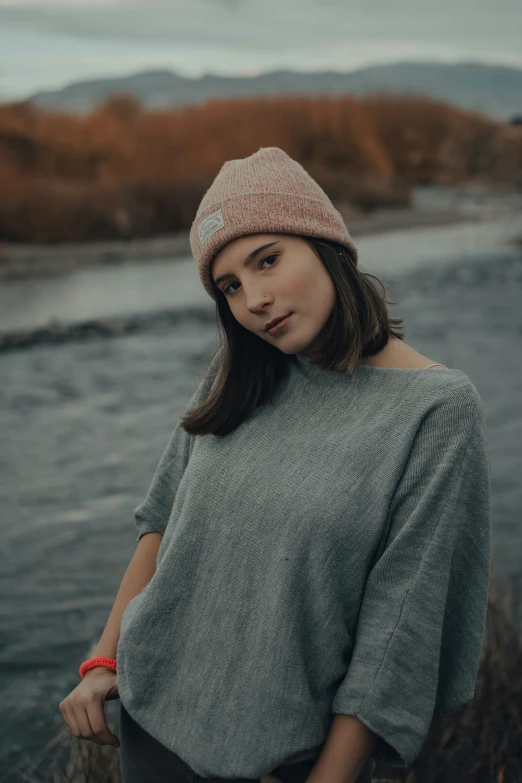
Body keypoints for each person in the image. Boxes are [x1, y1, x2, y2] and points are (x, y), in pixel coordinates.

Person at [58, 147, 491, 783]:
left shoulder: (437, 410)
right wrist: (103, 664)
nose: (254, 299)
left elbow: (397, 636)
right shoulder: (239, 375)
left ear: (327, 246)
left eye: (268, 260)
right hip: (150, 729)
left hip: (284, 760)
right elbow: (161, 526)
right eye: (229, 285)